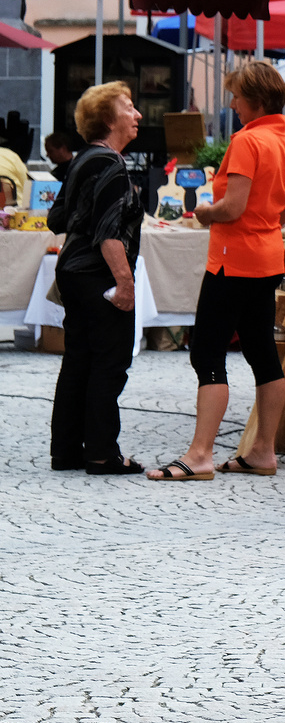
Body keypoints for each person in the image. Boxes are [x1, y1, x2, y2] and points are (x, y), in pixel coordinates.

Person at [148, 62, 285, 482]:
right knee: (262, 353)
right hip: (268, 258)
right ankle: (264, 451)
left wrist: (203, 211)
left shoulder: (248, 141)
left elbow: (231, 208)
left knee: (208, 353)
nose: (233, 104)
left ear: (254, 101)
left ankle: (200, 453)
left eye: (236, 97)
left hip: (233, 259)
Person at [47, 82, 145, 475]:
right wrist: (125, 283)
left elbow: (57, 220)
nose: (137, 114)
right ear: (108, 119)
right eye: (129, 107)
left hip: (72, 272)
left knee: (78, 361)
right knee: (110, 362)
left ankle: (67, 451)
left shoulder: (82, 160)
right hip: (98, 276)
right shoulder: (111, 164)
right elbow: (108, 233)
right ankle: (103, 453)